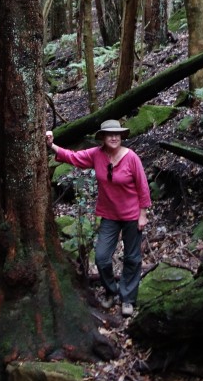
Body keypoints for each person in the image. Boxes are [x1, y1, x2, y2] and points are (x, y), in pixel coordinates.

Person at [45, 120, 151, 317]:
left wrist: (143, 214)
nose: (114, 137)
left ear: (121, 136)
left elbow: (143, 186)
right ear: (102, 137)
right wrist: (51, 145)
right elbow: (73, 157)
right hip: (109, 215)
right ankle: (111, 291)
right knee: (102, 257)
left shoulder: (131, 158)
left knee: (132, 258)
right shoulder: (96, 154)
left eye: (117, 134)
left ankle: (127, 298)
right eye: (109, 134)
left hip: (132, 215)